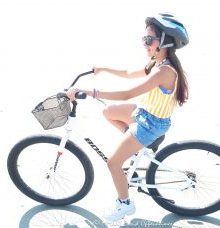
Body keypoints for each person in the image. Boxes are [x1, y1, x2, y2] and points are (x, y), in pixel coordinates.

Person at [67, 13, 189, 222]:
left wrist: (88, 92)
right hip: (145, 112)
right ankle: (136, 147)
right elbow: (130, 73)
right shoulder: (156, 62)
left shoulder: (165, 71)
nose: (145, 44)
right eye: (144, 39)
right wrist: (104, 69)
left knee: (113, 163)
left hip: (151, 124)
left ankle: (125, 204)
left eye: (149, 40)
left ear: (166, 41)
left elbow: (127, 94)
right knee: (108, 112)